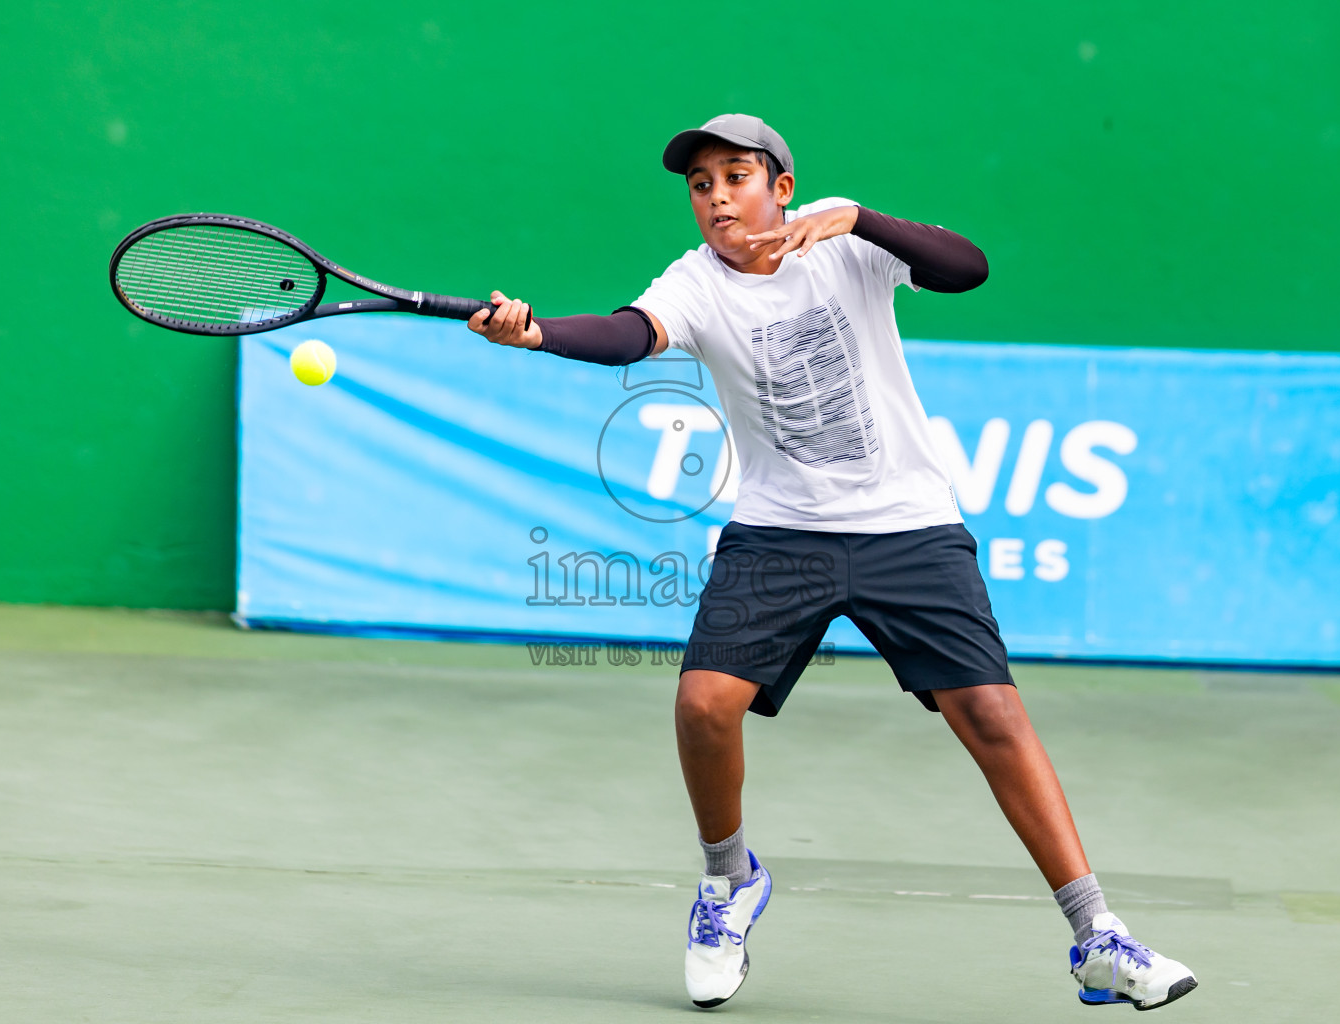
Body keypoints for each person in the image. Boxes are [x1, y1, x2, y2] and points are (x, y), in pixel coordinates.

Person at [468, 113, 1198, 1012]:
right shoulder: (696, 282)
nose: (715, 198)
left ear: (779, 186)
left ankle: (1098, 936)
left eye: (735, 176)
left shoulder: (844, 246)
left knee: (994, 716)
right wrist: (537, 334)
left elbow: (965, 269)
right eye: (701, 186)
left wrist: (857, 218)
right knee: (702, 705)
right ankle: (728, 881)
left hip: (910, 530)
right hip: (781, 534)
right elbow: (628, 334)